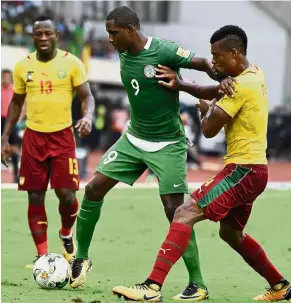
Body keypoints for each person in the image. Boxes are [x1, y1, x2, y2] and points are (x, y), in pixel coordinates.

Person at [112, 25, 291, 302]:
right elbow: (210, 88)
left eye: (217, 56)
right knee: (231, 233)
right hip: (255, 170)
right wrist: (181, 84)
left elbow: (208, 130)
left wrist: (207, 111)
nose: (214, 62)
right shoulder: (255, 73)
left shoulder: (239, 86)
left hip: (242, 171)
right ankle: (280, 285)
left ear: (234, 53)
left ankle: (152, 287)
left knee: (184, 213)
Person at [69, 6, 235, 301]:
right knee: (93, 189)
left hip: (168, 143)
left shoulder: (164, 50)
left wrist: (224, 77)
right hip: (133, 138)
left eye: (114, 33)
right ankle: (81, 257)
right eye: (108, 33)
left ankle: (197, 283)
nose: (109, 39)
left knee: (176, 212)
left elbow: (202, 62)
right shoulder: (122, 50)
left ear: (131, 31)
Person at [1, 15, 95, 269]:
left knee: (66, 195)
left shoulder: (72, 63)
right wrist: (4, 137)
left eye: (47, 33)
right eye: (38, 34)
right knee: (35, 196)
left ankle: (66, 233)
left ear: (57, 36)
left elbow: (87, 96)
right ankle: (42, 256)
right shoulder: (22, 66)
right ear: (33, 37)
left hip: (62, 136)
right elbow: (17, 103)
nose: (43, 38)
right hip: (33, 137)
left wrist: (88, 116)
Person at [1, 69, 21, 183]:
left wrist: (20, 116)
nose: (6, 79)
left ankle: (15, 176)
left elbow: (21, 105)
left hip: (11, 120)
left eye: (8, 77)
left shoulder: (15, 90)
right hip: (0, 119)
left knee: (14, 149)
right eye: (4, 77)